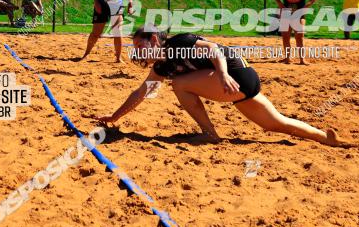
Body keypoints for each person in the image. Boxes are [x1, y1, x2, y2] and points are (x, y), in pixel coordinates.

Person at [97, 27, 341, 146]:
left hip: (236, 76)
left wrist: (223, 74)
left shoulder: (176, 44)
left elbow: (213, 49)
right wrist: (115, 116)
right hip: (239, 84)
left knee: (179, 84)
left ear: (154, 40)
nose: (138, 53)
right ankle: (324, 137)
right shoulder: (162, 65)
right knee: (275, 124)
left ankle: (209, 134)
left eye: (140, 47)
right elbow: (141, 93)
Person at [274, 0, 317, 64]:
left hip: (298, 14)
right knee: (286, 36)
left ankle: (302, 59)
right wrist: (280, 4)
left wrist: (306, 6)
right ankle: (287, 58)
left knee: (299, 35)